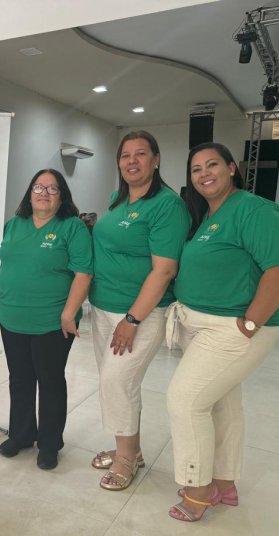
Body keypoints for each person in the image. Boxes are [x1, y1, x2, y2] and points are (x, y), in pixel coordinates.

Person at [166, 142, 279, 521]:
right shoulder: (208, 215)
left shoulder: (254, 210)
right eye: (196, 169)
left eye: (212, 165)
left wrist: (251, 323)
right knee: (222, 405)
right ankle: (224, 483)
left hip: (232, 329)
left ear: (231, 168)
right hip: (203, 325)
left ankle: (196, 491)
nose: (204, 173)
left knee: (185, 401)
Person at [89, 130, 190, 491]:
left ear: (156, 159)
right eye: (125, 155)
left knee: (117, 381)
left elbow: (164, 269)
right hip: (102, 308)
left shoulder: (166, 205)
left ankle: (126, 459)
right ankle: (131, 448)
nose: (132, 161)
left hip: (138, 314)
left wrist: (132, 319)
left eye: (141, 154)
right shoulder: (118, 200)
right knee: (119, 384)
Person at [0, 169, 93, 470]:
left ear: (62, 196)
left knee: (50, 381)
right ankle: (22, 434)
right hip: (12, 317)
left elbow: (83, 272)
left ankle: (50, 443)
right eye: (38, 187)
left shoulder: (72, 227)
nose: (44, 193)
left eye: (52, 189)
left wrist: (68, 313)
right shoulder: (14, 225)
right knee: (20, 379)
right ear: (29, 192)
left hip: (52, 321)